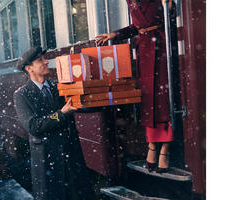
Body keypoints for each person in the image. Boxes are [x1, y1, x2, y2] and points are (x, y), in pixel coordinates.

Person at [95, 0, 177, 173]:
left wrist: (168, 6)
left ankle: (165, 148)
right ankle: (152, 145)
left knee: (162, 99)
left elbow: (169, 18)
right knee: (148, 101)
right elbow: (136, 26)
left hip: (161, 46)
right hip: (144, 49)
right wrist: (115, 34)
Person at [13, 46, 96, 200]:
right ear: (29, 68)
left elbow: (81, 107)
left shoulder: (59, 86)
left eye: (45, 59)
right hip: (47, 159)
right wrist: (61, 114)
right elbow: (33, 126)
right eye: (41, 60)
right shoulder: (22, 95)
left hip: (71, 155)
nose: (46, 62)